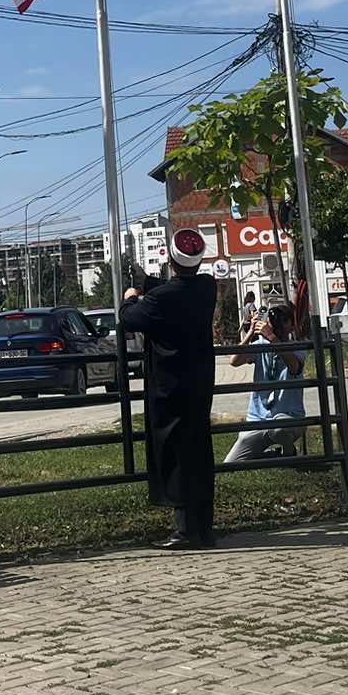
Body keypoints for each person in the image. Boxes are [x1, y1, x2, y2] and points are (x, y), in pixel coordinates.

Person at [122, 225, 220, 549]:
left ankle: (185, 529)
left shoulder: (159, 299)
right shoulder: (208, 287)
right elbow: (176, 291)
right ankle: (204, 526)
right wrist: (147, 285)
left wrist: (132, 295)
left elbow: (129, 318)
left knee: (175, 454)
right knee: (199, 450)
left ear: (171, 261)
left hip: (169, 387)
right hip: (200, 384)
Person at [226, 302, 304, 462]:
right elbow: (234, 361)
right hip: (258, 419)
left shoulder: (297, 346)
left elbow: (294, 367)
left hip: (288, 417)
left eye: (283, 320)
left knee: (279, 429)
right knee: (232, 463)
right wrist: (250, 333)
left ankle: (289, 452)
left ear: (291, 325)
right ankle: (274, 456)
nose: (278, 324)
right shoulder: (260, 346)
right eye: (274, 320)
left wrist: (272, 337)